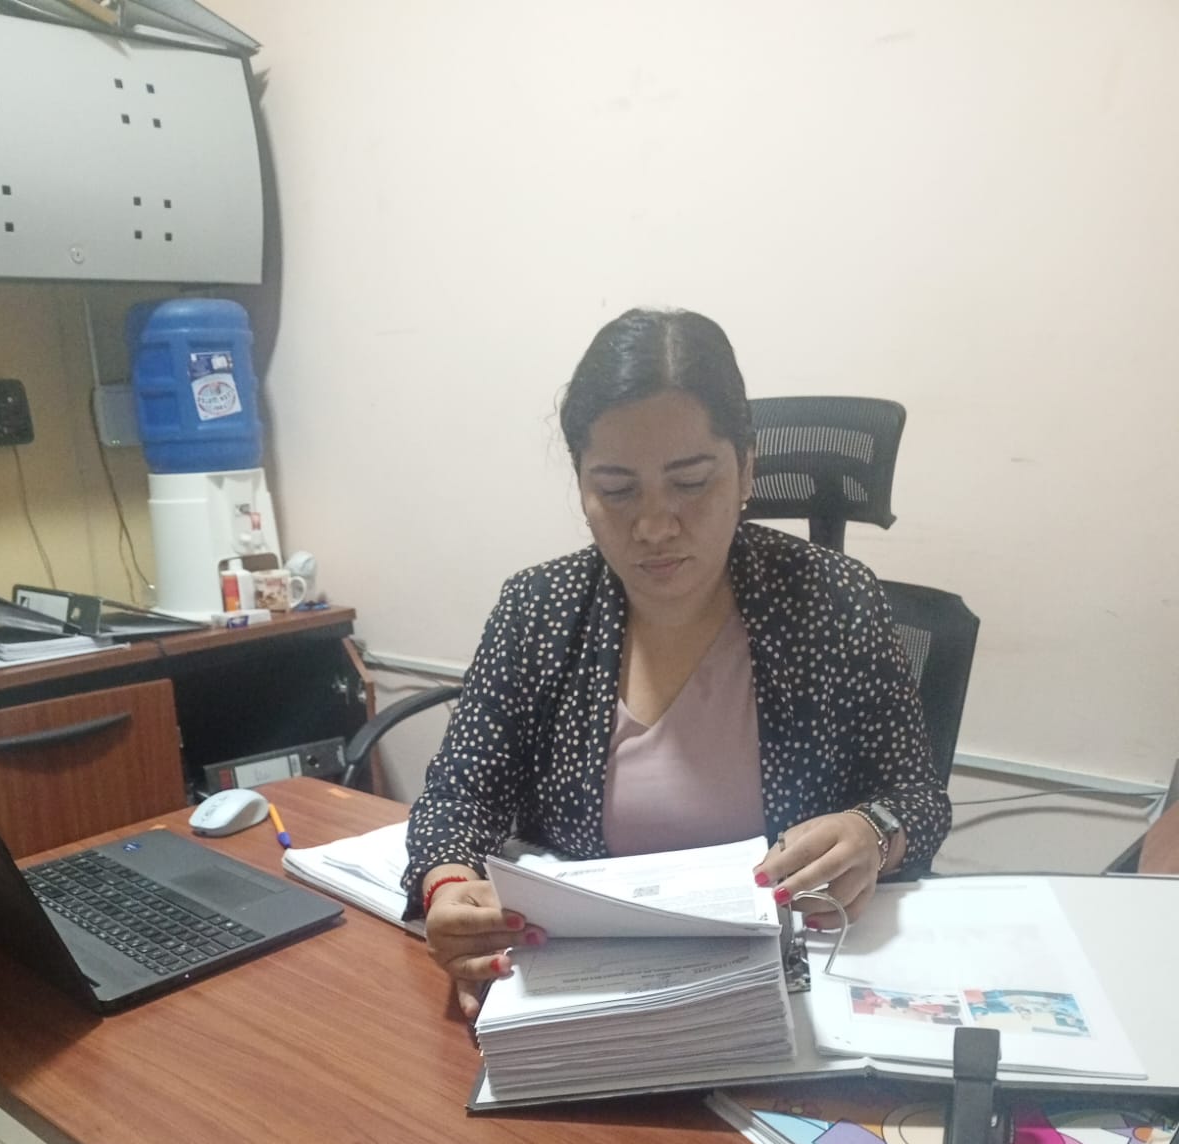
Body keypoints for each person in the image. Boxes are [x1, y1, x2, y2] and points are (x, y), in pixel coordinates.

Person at [402, 308, 951, 1018]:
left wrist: (871, 833)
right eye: (617, 489)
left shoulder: (832, 599)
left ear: (745, 469)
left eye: (691, 482)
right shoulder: (538, 610)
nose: (655, 526)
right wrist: (448, 885)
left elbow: (917, 797)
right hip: (586, 991)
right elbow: (458, 797)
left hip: (789, 990)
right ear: (581, 485)